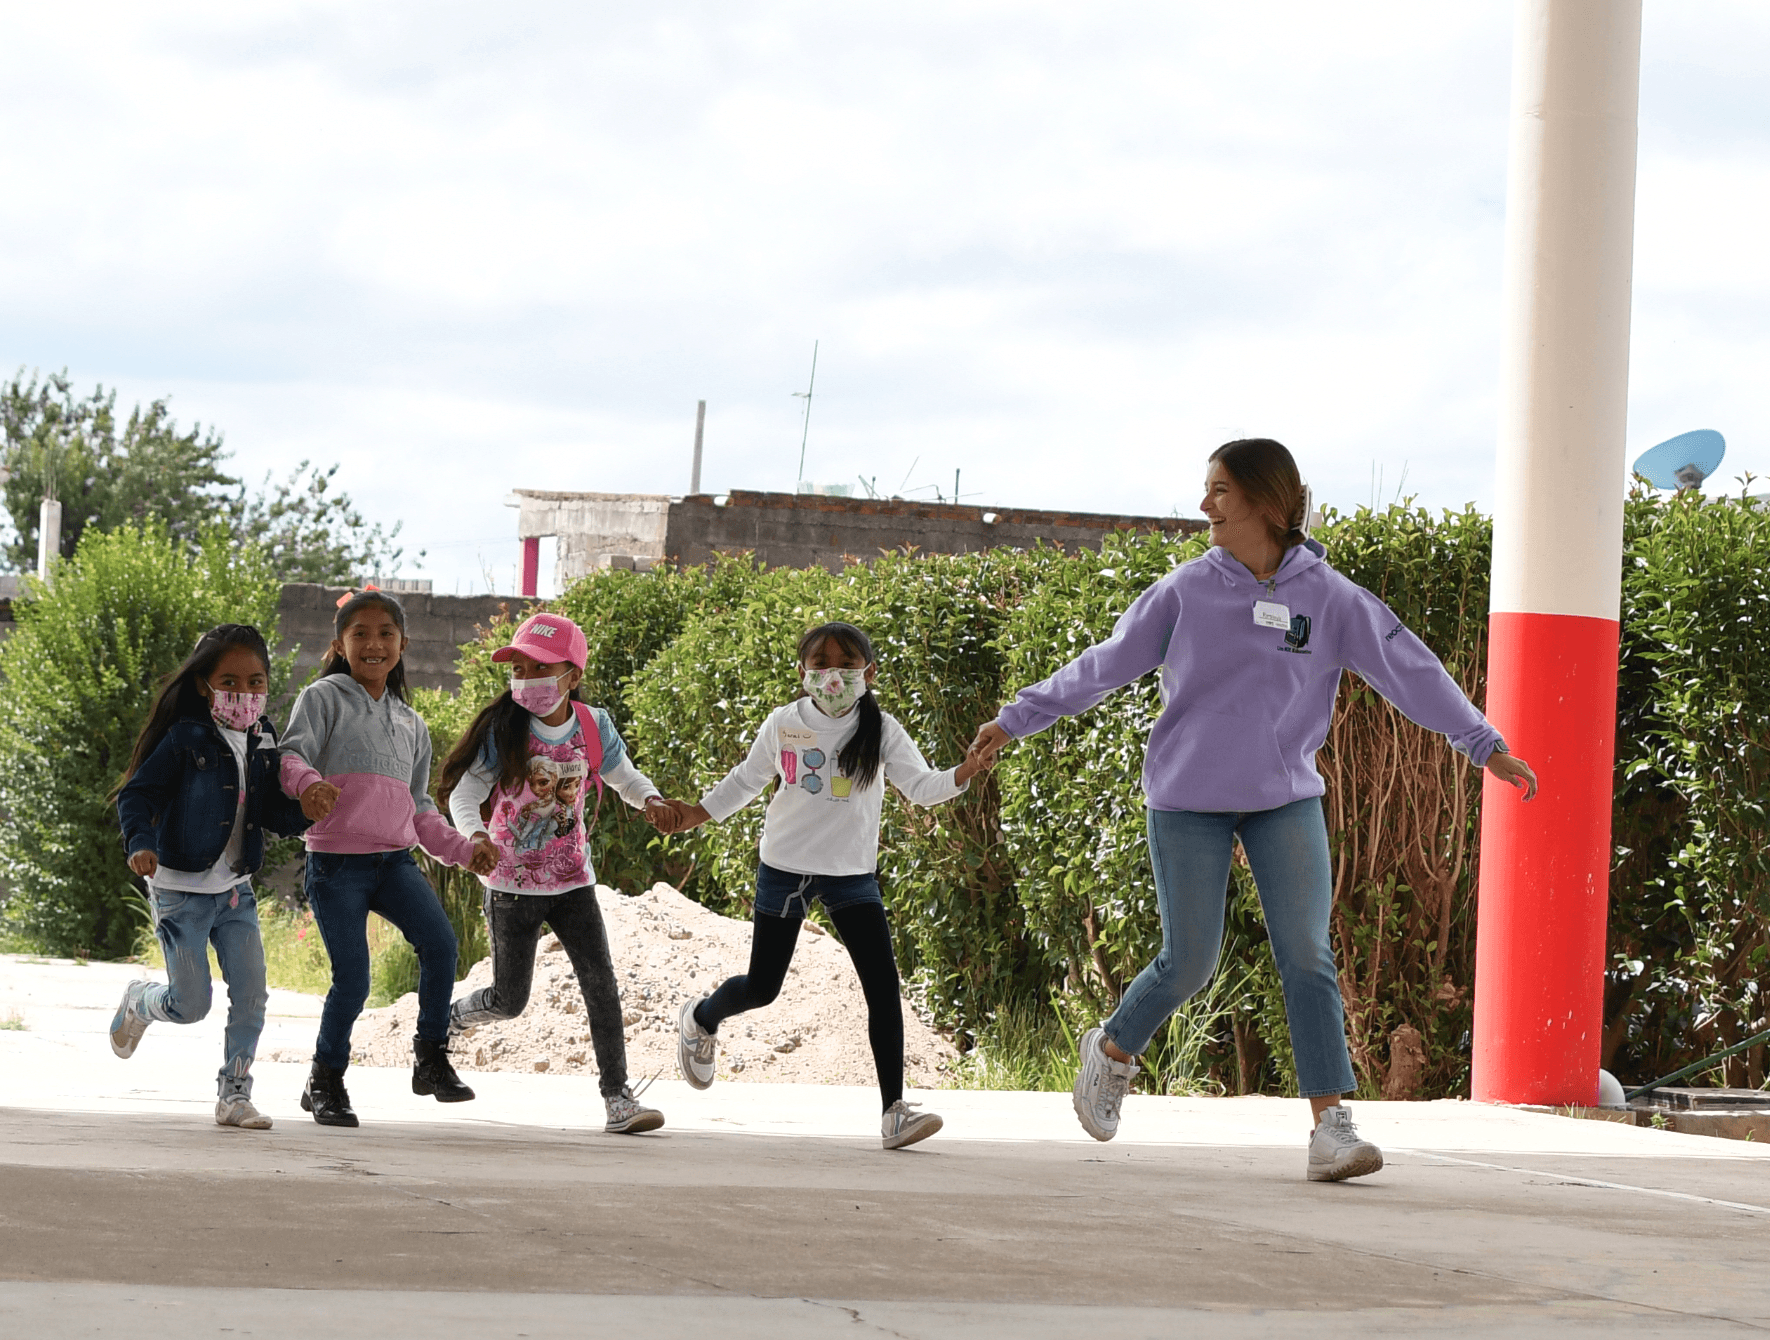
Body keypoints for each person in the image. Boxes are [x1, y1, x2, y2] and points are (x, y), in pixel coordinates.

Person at [968, 439, 1539, 1182]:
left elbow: (1411, 669)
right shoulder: (1184, 591)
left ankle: (1331, 1127)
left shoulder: (1328, 597)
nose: (1206, 505)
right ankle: (1112, 1049)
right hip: (1188, 799)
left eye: (1221, 491)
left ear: (1268, 502)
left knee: (1307, 953)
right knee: (1191, 960)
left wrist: (1481, 742)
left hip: (1284, 799)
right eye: (1207, 490)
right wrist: (1014, 719)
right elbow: (1103, 666)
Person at [661, 621, 993, 1151]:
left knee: (883, 989)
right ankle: (700, 1019)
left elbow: (923, 787)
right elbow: (746, 781)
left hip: (850, 874)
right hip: (785, 866)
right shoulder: (783, 723)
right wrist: (693, 815)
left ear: (869, 672)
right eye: (820, 663)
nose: (832, 674)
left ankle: (894, 1113)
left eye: (845, 663)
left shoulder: (881, 730)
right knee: (762, 986)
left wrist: (966, 770)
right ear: (802, 672)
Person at [436, 612, 678, 1135]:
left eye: (540, 669)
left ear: (572, 675)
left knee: (601, 985)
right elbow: (466, 792)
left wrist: (651, 800)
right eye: (518, 670)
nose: (526, 681)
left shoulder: (593, 725)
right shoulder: (507, 728)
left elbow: (620, 774)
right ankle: (447, 1019)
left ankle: (618, 1098)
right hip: (510, 887)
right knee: (509, 1001)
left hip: (573, 883)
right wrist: (475, 836)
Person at [278, 589, 480, 1127]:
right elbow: (291, 754)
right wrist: (309, 785)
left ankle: (431, 1059)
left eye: (385, 634)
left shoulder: (410, 724)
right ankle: (325, 1079)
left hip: (394, 864)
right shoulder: (323, 698)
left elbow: (419, 807)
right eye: (360, 634)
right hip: (336, 864)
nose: (373, 644)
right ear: (340, 644)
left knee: (441, 945)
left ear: (403, 644)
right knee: (355, 979)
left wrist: (463, 850)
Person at [111, 624, 311, 1129]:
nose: (244, 694)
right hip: (181, 891)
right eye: (229, 681)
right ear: (204, 684)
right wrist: (141, 843)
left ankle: (235, 1094)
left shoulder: (263, 736)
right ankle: (141, 1000)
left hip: (235, 891)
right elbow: (138, 795)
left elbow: (269, 812)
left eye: (256, 682)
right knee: (190, 1004)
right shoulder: (185, 738)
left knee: (251, 995)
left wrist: (311, 809)